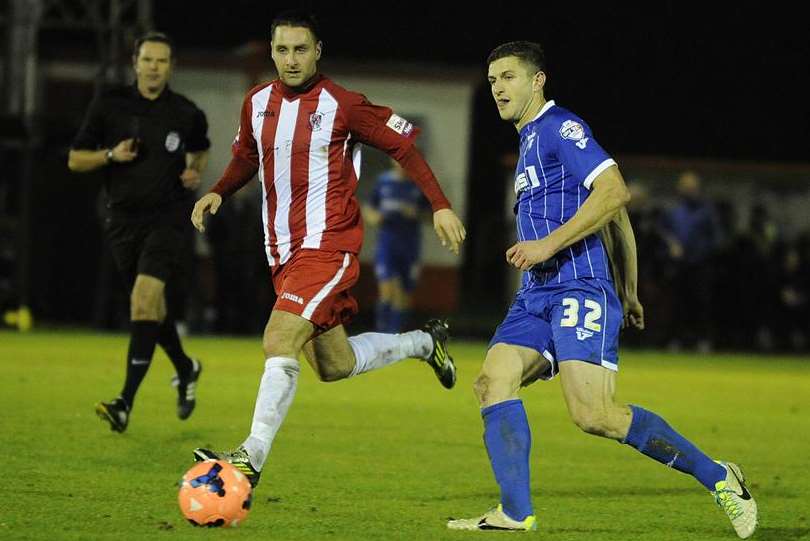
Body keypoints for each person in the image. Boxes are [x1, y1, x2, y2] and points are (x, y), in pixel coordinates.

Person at [446, 42, 757, 539]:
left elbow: (615, 193)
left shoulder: (559, 127)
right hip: (536, 294)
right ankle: (514, 513)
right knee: (491, 383)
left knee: (594, 415)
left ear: (537, 80)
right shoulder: (528, 140)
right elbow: (616, 218)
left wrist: (548, 246)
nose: (498, 88)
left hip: (578, 288)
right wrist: (631, 291)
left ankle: (720, 477)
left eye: (507, 77)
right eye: (492, 80)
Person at [189, 11, 466, 488]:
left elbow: (402, 147)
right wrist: (219, 190)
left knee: (279, 339)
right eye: (282, 50)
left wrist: (439, 205)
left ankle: (249, 458)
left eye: (300, 49)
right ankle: (424, 342)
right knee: (333, 366)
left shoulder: (343, 104)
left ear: (317, 51)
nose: (291, 59)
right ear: (271, 51)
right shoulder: (256, 102)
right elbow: (246, 157)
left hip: (328, 247)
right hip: (282, 253)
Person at [68, 31, 209, 433]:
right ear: (135, 63)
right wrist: (111, 155)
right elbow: (75, 160)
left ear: (171, 67)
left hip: (167, 219)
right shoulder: (109, 105)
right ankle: (186, 368)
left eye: (162, 61)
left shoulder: (186, 112)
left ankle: (124, 403)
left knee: (144, 302)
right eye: (148, 60)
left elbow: (200, 148)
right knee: (151, 312)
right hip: (122, 222)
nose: (154, 67)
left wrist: (193, 170)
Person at [364, 158, 431, 333]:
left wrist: (416, 213)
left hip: (410, 245)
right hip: (387, 243)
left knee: (404, 294)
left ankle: (396, 333)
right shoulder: (383, 182)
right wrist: (374, 217)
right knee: (387, 290)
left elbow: (431, 215)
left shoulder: (418, 185)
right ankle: (382, 333)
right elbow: (369, 209)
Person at [660, 171, 721, 351]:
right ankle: (677, 340)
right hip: (679, 266)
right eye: (685, 187)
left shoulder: (706, 212)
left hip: (700, 265)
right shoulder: (673, 211)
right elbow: (663, 234)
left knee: (701, 304)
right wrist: (670, 247)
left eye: (692, 187)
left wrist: (701, 253)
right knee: (678, 304)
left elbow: (716, 238)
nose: (689, 190)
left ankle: (703, 340)